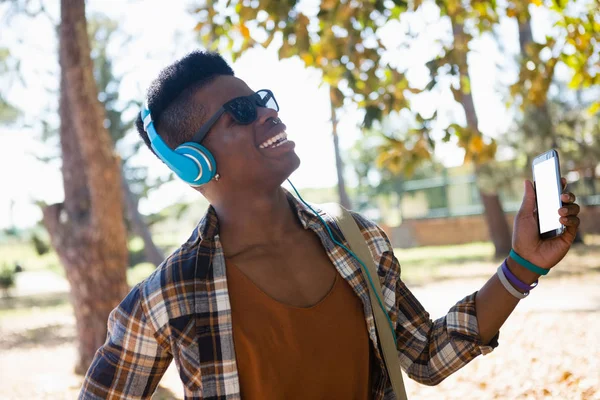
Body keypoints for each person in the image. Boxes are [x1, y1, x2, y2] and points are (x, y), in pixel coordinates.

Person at [79, 51, 581, 400]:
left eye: (263, 100)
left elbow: (426, 356)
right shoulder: (165, 297)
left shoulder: (356, 240)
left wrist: (521, 266)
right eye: (240, 112)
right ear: (194, 164)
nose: (268, 115)